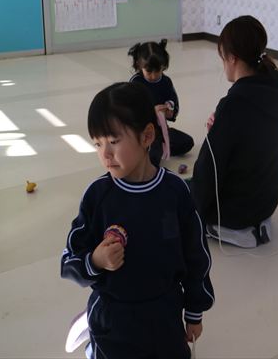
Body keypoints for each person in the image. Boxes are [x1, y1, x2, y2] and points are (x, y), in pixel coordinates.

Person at [60, 82, 214, 358]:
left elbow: (196, 256)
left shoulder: (175, 192)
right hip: (113, 316)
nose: (105, 154)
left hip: (164, 311)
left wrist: (194, 311)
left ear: (147, 136)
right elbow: (69, 258)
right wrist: (95, 260)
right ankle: (92, 335)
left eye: (113, 141)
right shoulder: (98, 196)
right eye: (98, 144)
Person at [191, 16, 278, 248]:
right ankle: (256, 222)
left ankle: (232, 230)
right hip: (267, 202)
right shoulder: (275, 87)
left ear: (232, 58)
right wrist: (219, 128)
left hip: (236, 211)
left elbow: (209, 169)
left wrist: (193, 209)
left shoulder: (232, 105)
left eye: (222, 58)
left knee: (182, 192)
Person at [128, 40, 194, 166]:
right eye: (149, 71)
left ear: (163, 66)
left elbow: (173, 101)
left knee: (187, 142)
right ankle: (148, 148)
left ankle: (158, 147)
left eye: (157, 71)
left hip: (160, 130)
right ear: (139, 66)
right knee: (153, 158)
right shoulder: (136, 82)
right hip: (143, 132)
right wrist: (152, 111)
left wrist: (170, 110)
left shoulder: (166, 81)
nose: (153, 76)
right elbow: (131, 111)